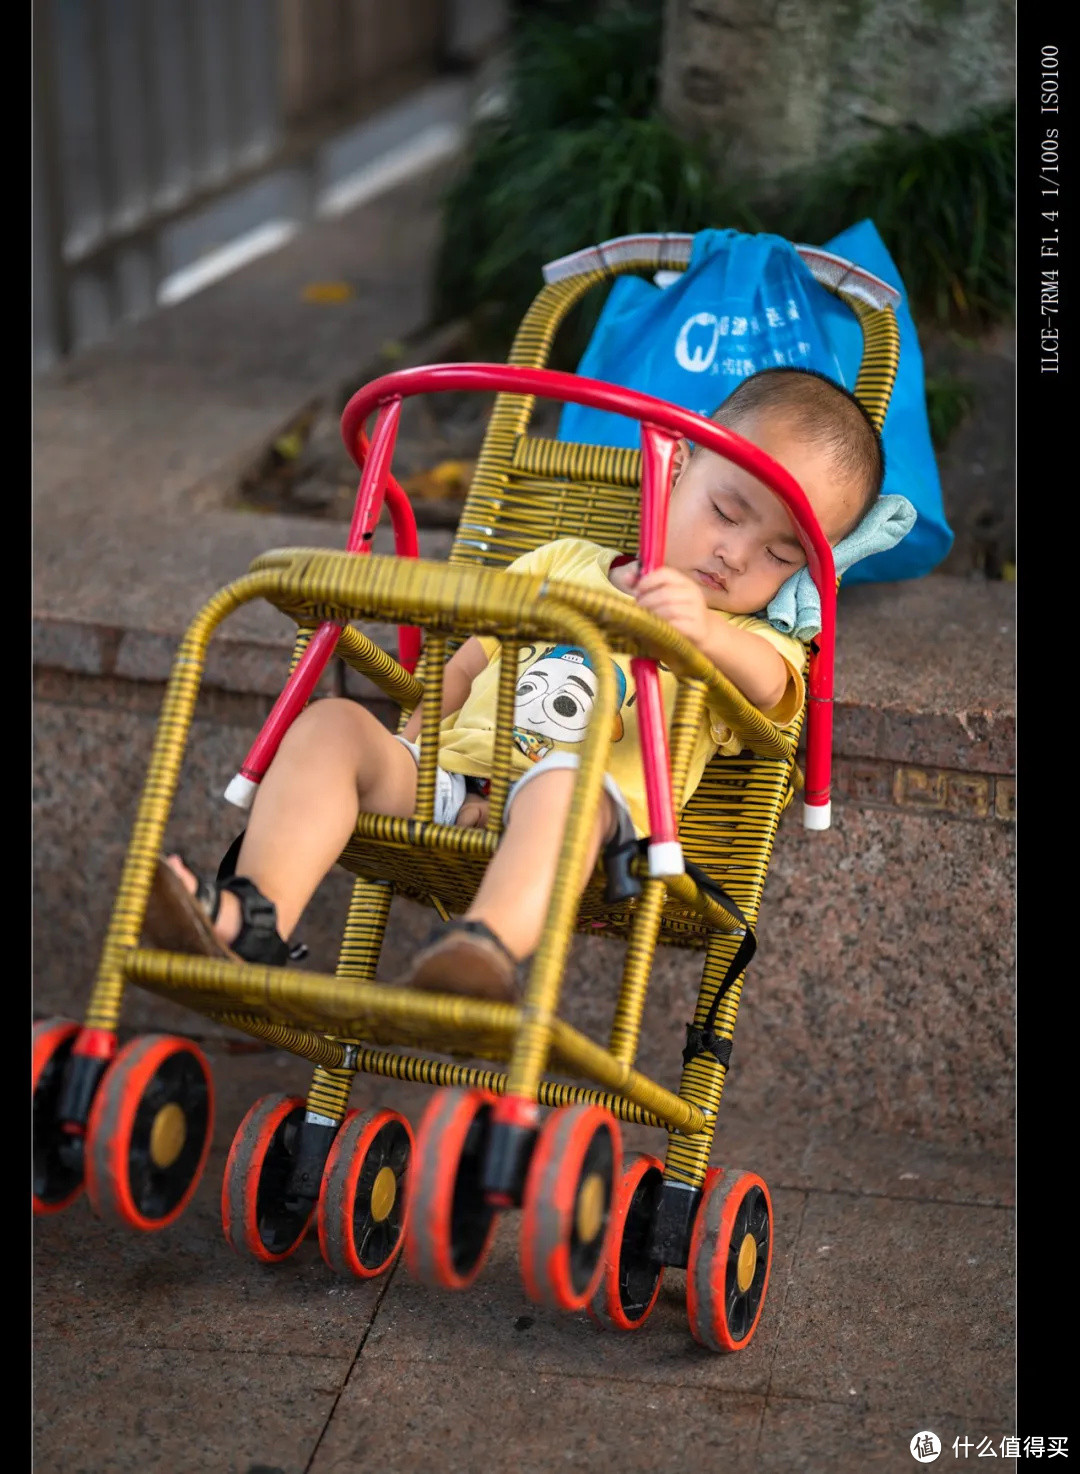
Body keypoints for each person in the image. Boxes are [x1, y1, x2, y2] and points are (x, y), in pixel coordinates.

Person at [145, 367, 883, 1002]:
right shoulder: (561, 560)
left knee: (567, 788)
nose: (734, 554)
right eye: (728, 512)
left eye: (780, 555)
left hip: (584, 822)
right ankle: (252, 917)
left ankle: (483, 948)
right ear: (678, 464)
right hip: (452, 781)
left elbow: (775, 688)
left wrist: (706, 632)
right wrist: (414, 741)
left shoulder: (747, 638)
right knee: (333, 723)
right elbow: (467, 663)